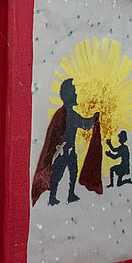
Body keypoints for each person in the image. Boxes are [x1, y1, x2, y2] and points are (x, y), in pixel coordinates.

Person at [31, 78, 102, 206]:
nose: (76, 94)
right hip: (62, 150)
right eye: (74, 92)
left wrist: (93, 119)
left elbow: (84, 123)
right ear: (68, 95)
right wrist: (93, 119)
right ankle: (53, 197)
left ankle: (70, 194)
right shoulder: (65, 114)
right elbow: (84, 124)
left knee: (73, 172)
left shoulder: (68, 113)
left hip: (70, 150)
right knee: (58, 174)